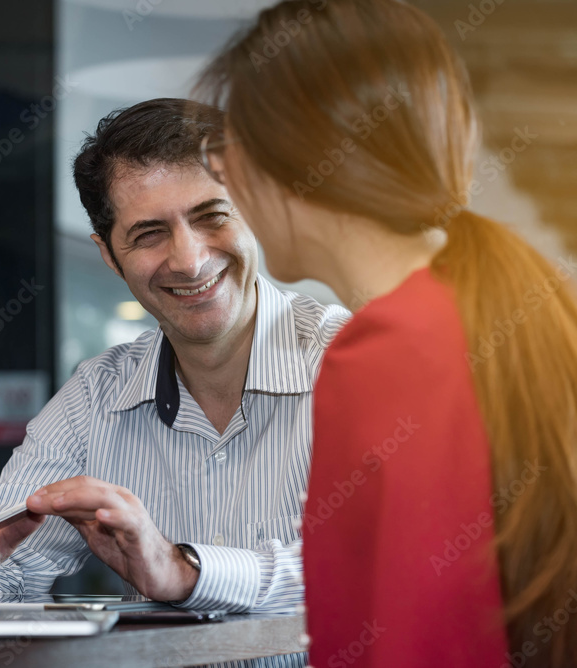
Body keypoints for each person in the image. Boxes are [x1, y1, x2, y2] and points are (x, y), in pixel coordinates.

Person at [199, 0, 577, 666]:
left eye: (223, 147)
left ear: (291, 154)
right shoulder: (488, 307)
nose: (222, 172)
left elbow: (414, 644)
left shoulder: (388, 351)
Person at [0, 98, 348, 645]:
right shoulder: (95, 396)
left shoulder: (348, 359)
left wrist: (185, 571)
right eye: (150, 233)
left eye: (212, 216)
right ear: (109, 255)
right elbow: (10, 572)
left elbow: (384, 566)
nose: (189, 259)